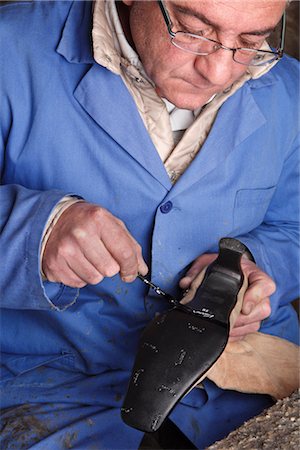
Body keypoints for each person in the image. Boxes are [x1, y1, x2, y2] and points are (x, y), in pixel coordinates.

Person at [0, 0, 298, 448]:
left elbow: (293, 227)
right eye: (194, 29)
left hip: (237, 370)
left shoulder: (288, 91)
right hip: (46, 381)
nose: (219, 72)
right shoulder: (10, 51)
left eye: (252, 41)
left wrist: (254, 264)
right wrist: (32, 232)